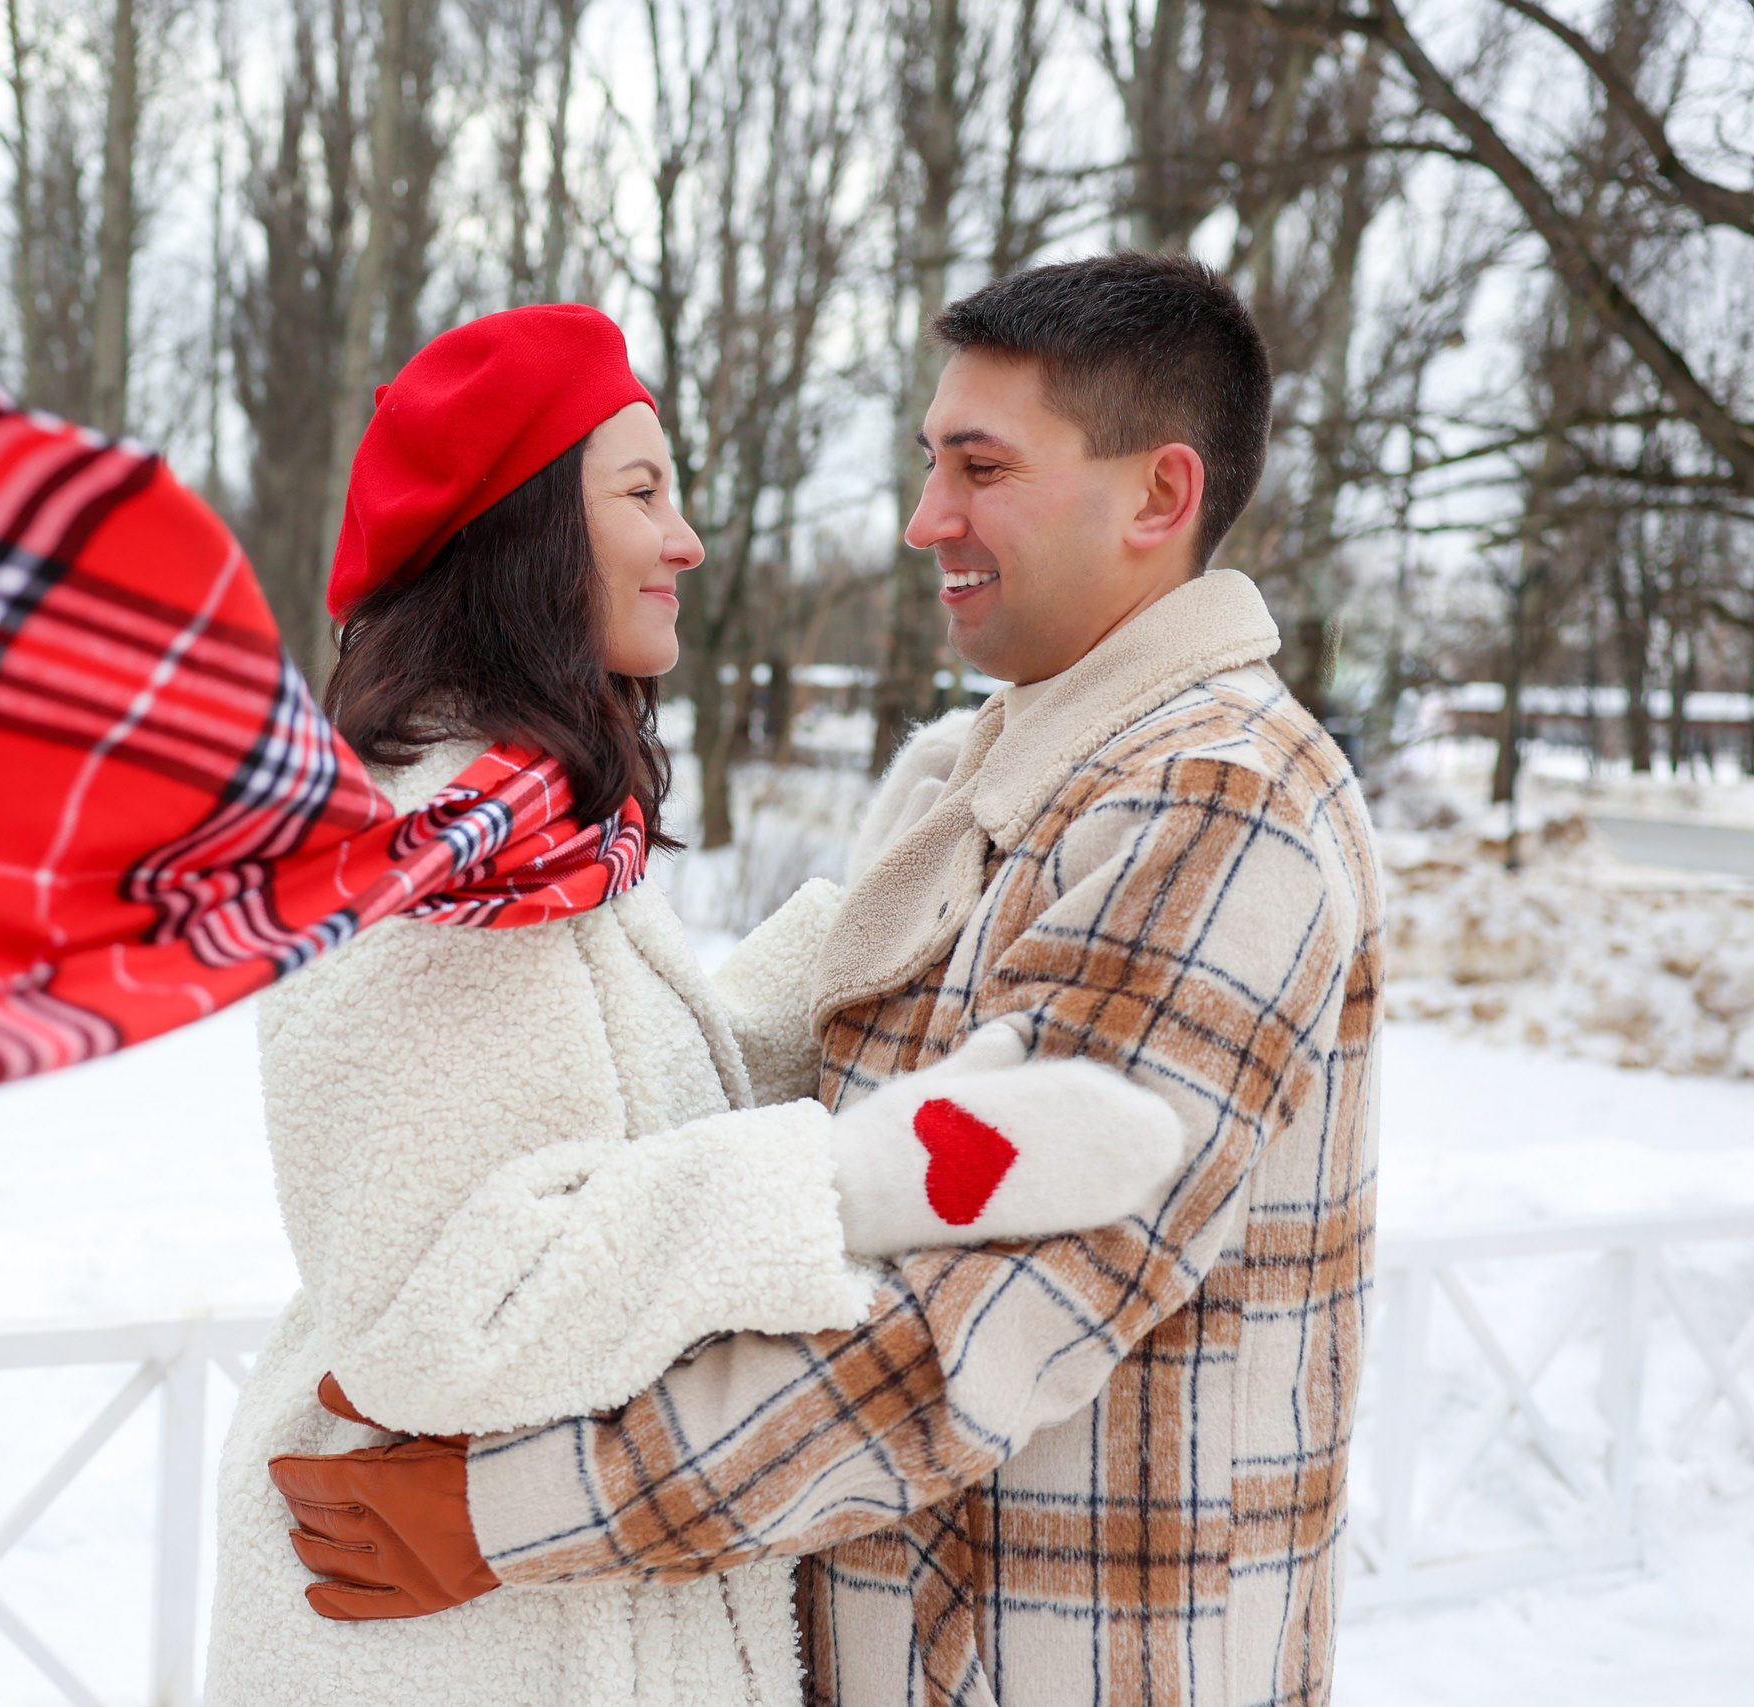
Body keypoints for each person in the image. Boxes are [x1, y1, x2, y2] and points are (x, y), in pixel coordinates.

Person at [273, 256, 1384, 1707]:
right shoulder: (1019, 779)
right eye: (932, 462)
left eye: (981, 467)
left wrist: (512, 1512)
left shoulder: (1208, 805)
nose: (927, 519)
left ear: (1158, 496)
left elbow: (985, 1318)